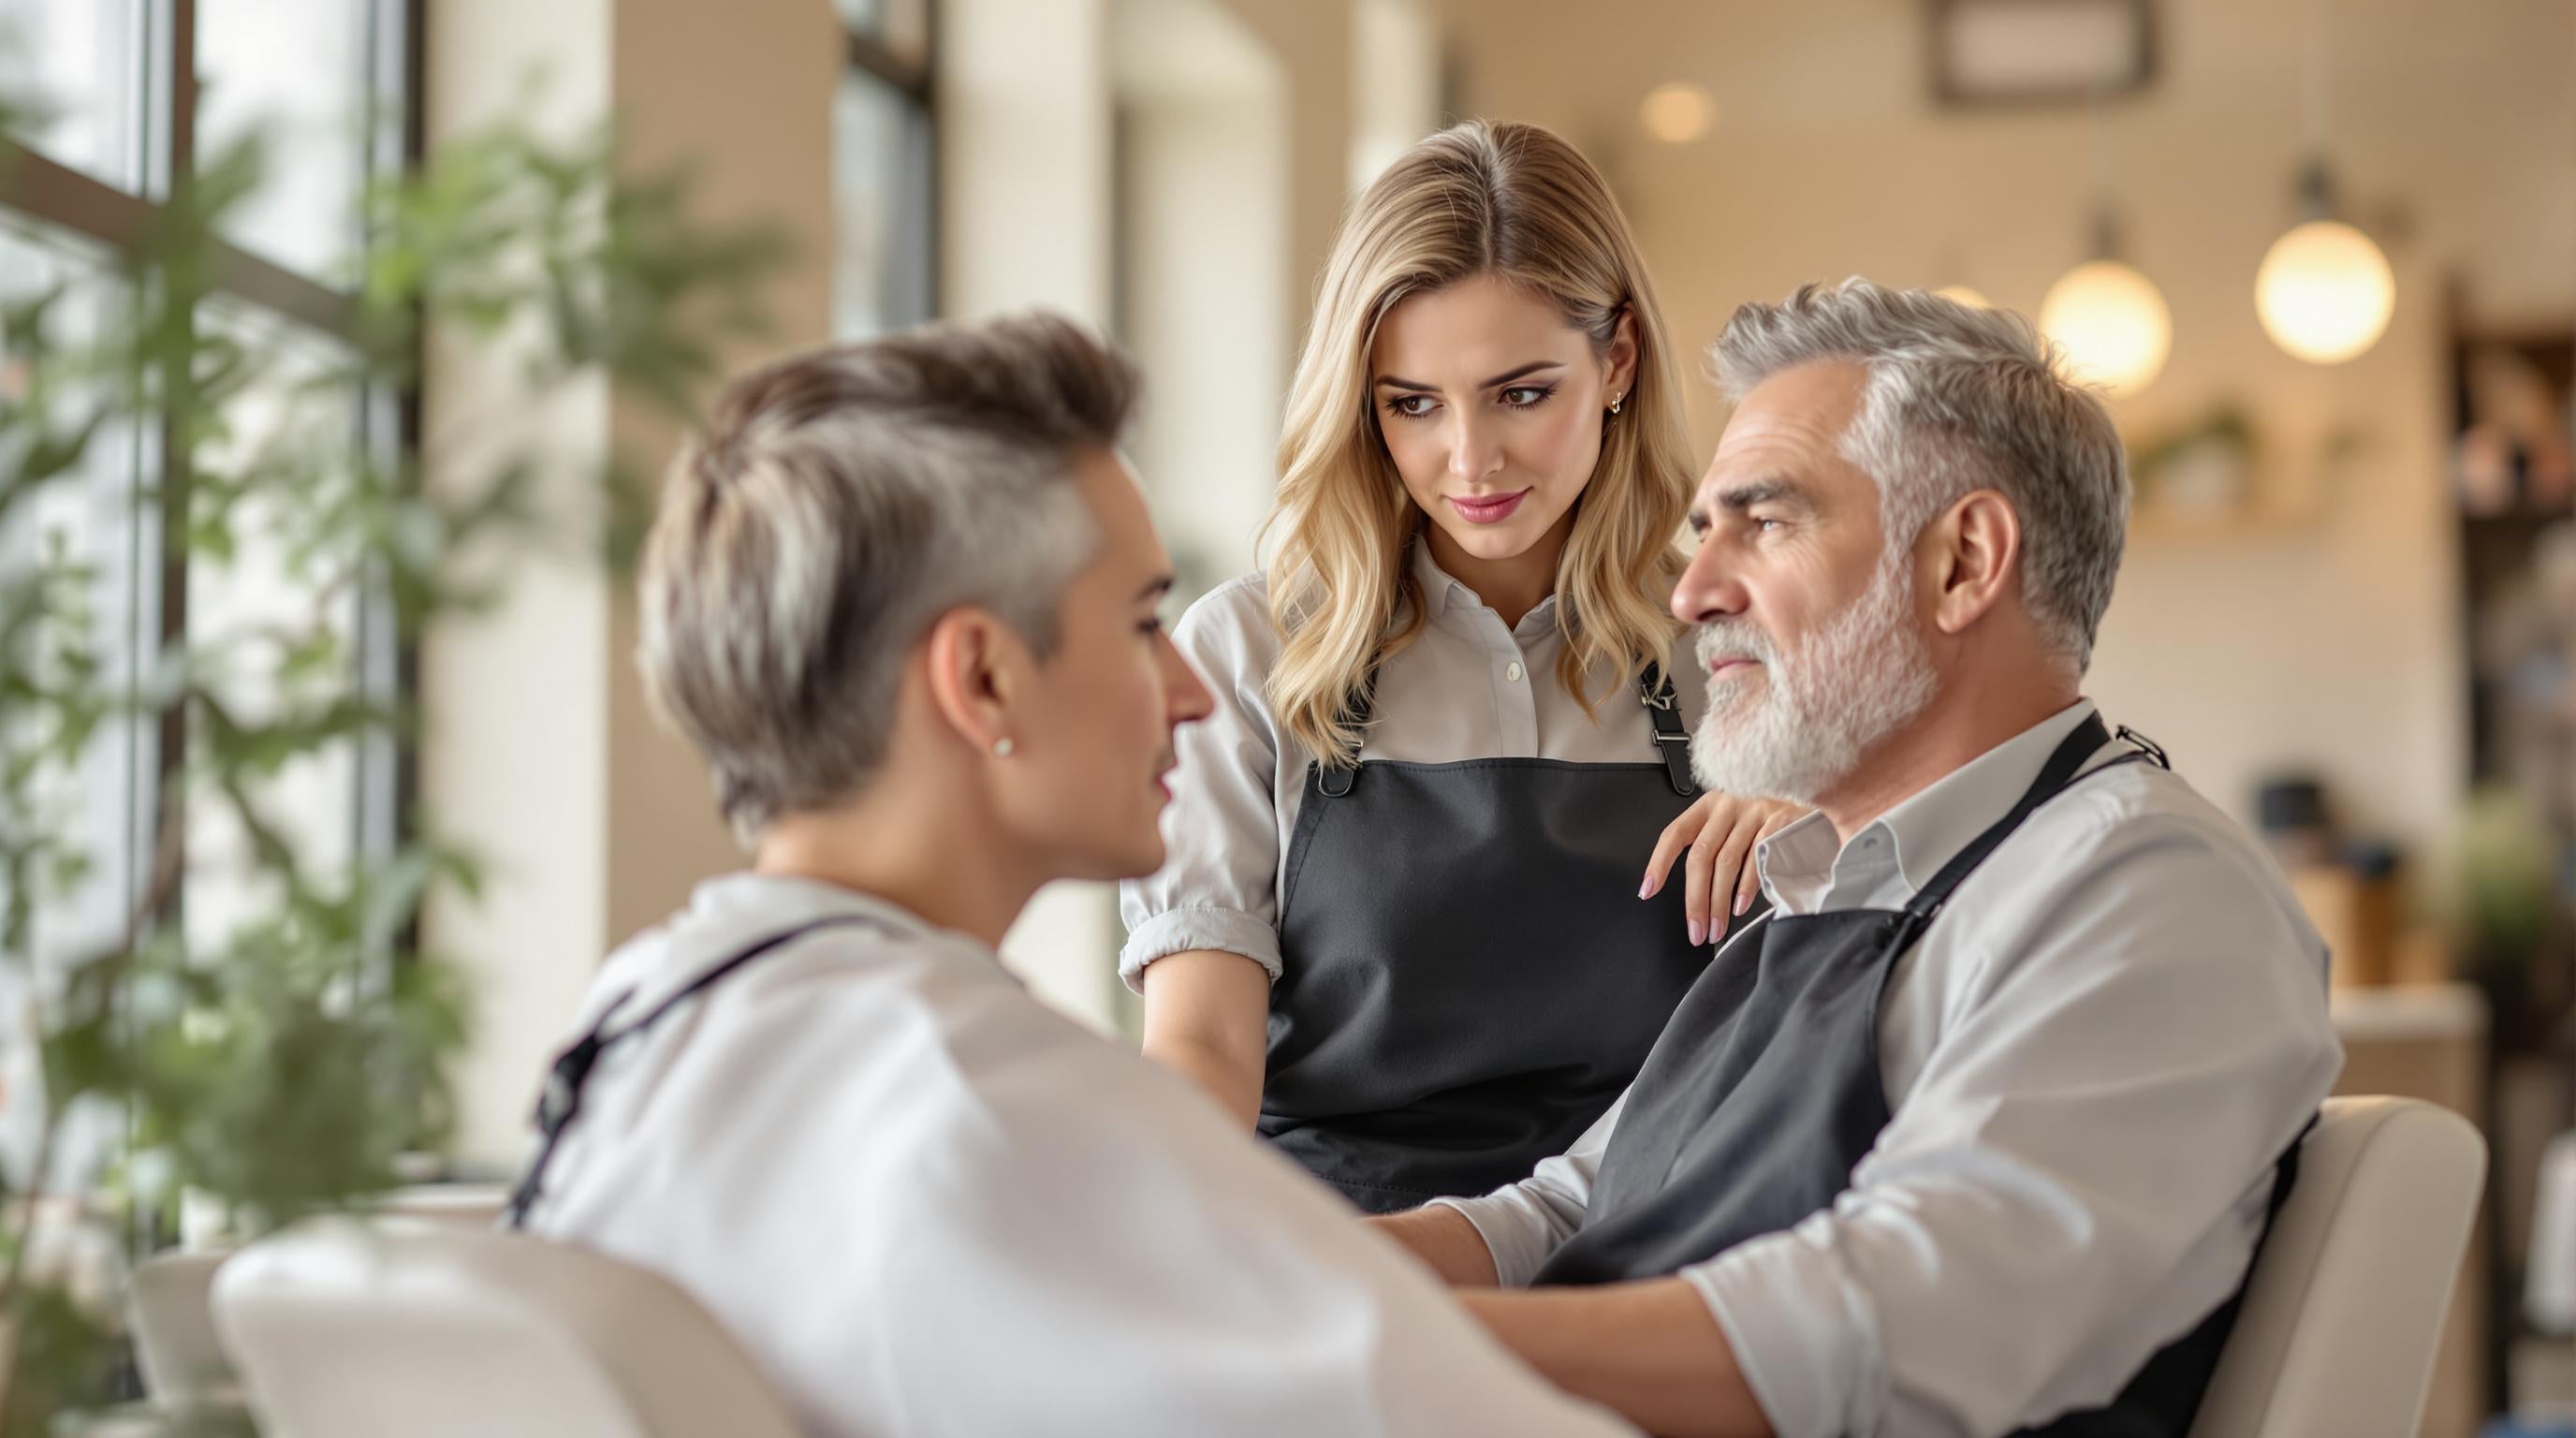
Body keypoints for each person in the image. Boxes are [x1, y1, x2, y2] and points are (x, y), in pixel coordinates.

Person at [506, 315, 1635, 1438]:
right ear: (984, 679)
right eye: (1143, 620)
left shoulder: (635, 1028)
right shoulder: (996, 1112)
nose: (1191, 692)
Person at [1371, 280, 2345, 1438]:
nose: (1690, 594)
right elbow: (1568, 1211)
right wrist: (1264, 1265)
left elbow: (1870, 1334)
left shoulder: (2145, 892)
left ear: (1963, 561)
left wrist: (1355, 1349)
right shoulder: (1808, 891)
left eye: (1764, 522)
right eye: (1701, 535)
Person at [1122, 119, 1802, 1214]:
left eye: (1521, 393)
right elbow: (1200, 1049)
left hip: (1651, 1246)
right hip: (1346, 1256)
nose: (1470, 460)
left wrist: (1819, 825)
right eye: (1413, 406)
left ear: (1616, 359)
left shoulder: (1735, 647)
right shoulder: (1247, 655)